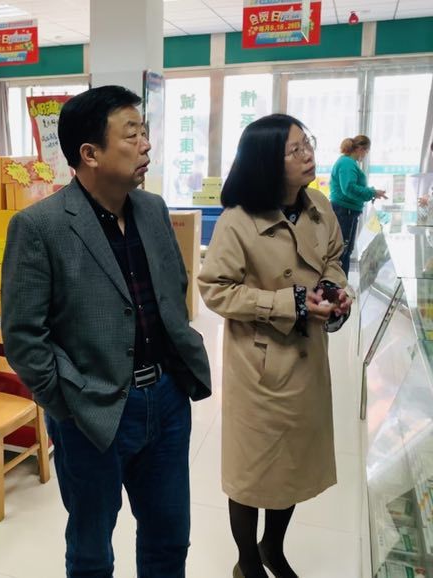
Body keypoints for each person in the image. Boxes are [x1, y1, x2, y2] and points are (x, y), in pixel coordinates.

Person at [1, 85, 212, 578]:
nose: (146, 144)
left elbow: (173, 291)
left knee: (169, 538)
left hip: (165, 398)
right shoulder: (40, 226)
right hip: (91, 409)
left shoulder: (153, 209)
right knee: (92, 549)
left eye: (145, 132)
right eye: (131, 134)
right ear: (90, 154)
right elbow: (24, 336)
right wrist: (67, 404)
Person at [198, 114, 352, 578]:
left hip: (307, 359)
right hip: (260, 363)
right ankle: (247, 562)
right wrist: (291, 302)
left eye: (308, 143)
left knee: (291, 467)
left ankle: (272, 548)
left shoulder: (318, 205)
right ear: (267, 161)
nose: (308, 154)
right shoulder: (237, 220)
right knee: (253, 473)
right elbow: (215, 289)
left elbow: (334, 258)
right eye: (295, 149)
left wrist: (334, 291)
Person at [329, 134, 387, 275]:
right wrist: (371, 192)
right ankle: (339, 284)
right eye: (366, 151)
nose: (365, 155)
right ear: (361, 149)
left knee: (345, 250)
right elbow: (349, 188)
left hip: (346, 211)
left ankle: (341, 283)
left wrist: (372, 193)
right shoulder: (347, 163)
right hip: (344, 211)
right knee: (342, 251)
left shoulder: (348, 163)